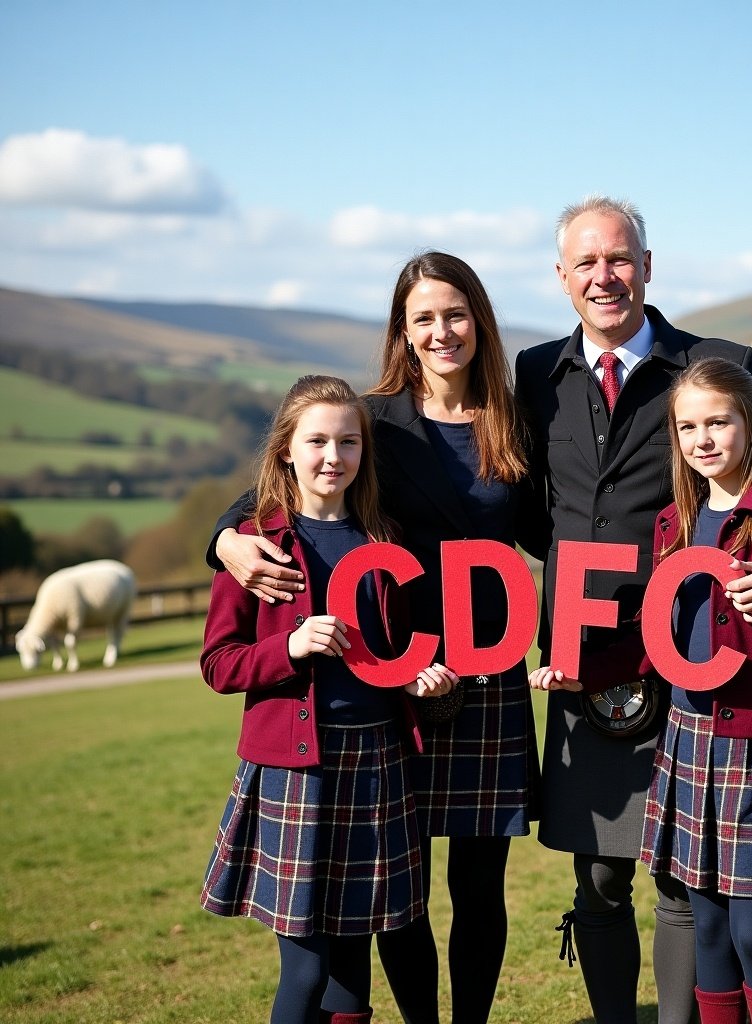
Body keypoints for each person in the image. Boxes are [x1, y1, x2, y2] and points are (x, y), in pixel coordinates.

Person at [513, 195, 752, 1024]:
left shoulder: (712, 368)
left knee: (685, 881)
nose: (604, 276)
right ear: (561, 278)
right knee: (598, 876)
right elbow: (499, 508)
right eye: (585, 263)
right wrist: (232, 532)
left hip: (698, 669)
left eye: (618, 258)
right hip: (591, 662)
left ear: (647, 266)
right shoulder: (534, 374)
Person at [208, 254, 538, 1024]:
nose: (442, 331)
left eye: (455, 313)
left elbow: (570, 519)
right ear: (403, 330)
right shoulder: (375, 419)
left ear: (479, 320)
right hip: (395, 676)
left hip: (487, 674)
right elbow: (286, 482)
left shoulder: (516, 419)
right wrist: (225, 539)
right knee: (400, 890)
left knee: (481, 885)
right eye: (423, 317)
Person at [200, 375, 458, 1024]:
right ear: (286, 448)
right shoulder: (256, 547)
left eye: (348, 442)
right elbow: (218, 663)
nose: (332, 456)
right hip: (297, 773)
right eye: (316, 441)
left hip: (378, 766)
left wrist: (414, 677)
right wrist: (288, 648)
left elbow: (383, 655)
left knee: (351, 968)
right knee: (308, 966)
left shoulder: (383, 541)